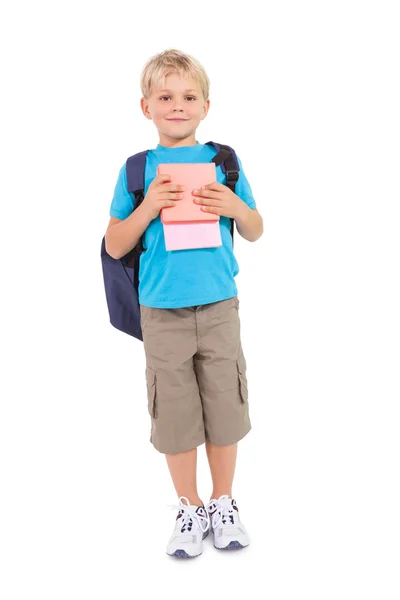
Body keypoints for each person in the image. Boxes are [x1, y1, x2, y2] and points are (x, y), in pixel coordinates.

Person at [104, 49, 263, 558]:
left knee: (224, 406)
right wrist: (149, 204)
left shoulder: (225, 163)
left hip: (219, 306)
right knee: (173, 414)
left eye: (189, 96)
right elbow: (114, 244)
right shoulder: (136, 171)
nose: (178, 105)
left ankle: (223, 502)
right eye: (165, 97)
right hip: (161, 312)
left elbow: (256, 230)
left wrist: (236, 206)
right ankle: (189, 507)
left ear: (207, 105)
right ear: (145, 107)